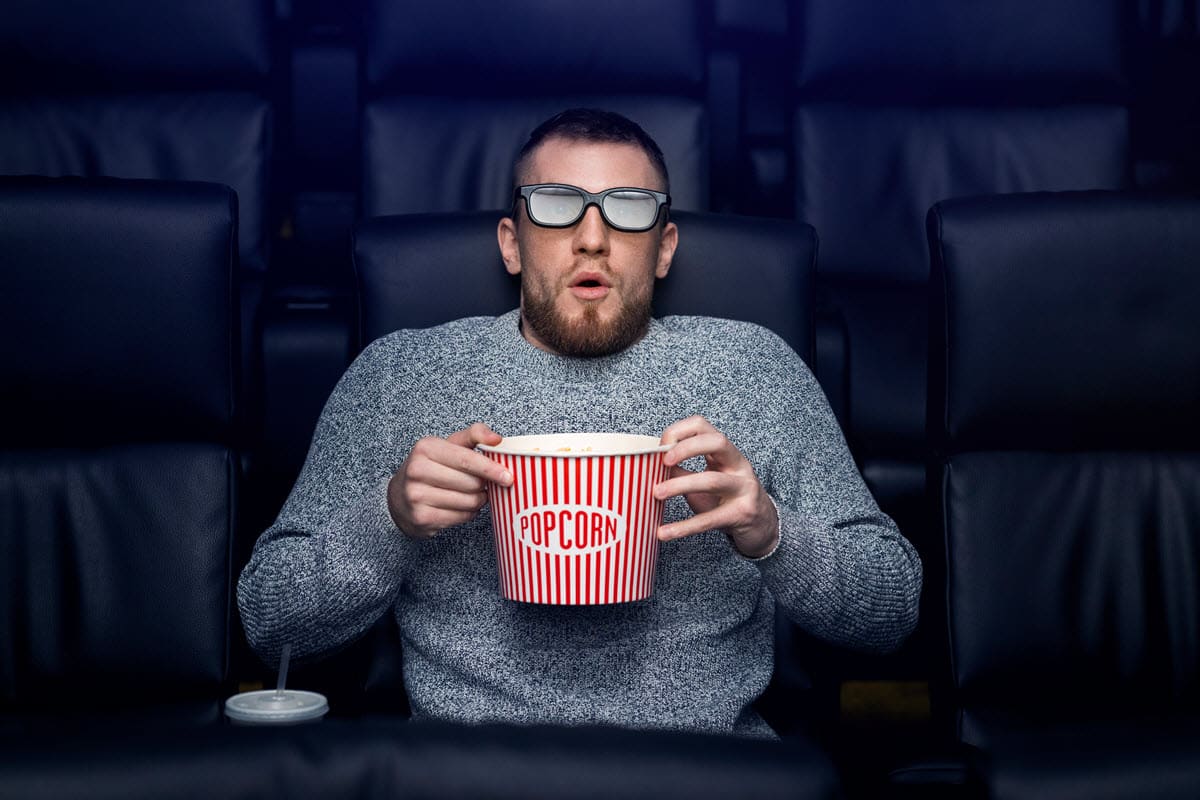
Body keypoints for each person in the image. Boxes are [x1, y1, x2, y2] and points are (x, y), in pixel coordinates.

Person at [238, 108, 922, 738]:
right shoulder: (398, 375)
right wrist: (388, 520)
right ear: (511, 243)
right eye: (558, 206)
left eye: (628, 211)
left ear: (663, 248)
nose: (592, 238)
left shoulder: (755, 369)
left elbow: (892, 612)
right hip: (470, 776)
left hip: (703, 772)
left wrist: (774, 534)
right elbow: (269, 623)